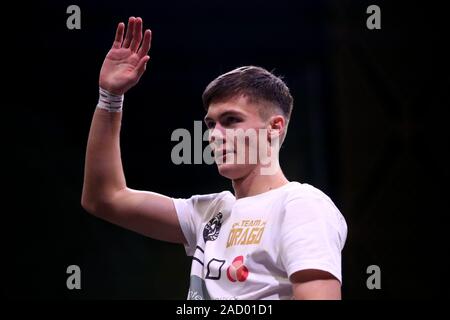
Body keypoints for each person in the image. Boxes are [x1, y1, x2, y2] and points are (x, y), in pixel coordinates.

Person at [82, 16, 347, 300]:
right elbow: (104, 198)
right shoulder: (209, 213)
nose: (214, 135)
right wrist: (109, 96)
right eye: (211, 124)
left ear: (274, 127)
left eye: (231, 120)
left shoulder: (301, 205)